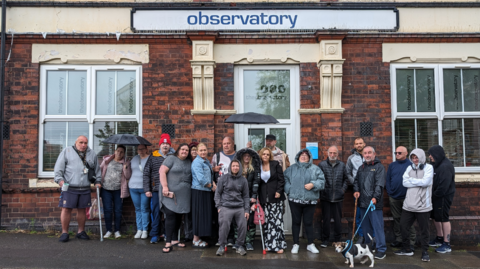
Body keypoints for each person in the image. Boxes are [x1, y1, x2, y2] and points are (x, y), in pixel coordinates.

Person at [54, 135, 102, 243]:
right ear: (76, 142)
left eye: (85, 143)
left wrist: (98, 181)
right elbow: (58, 169)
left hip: (85, 187)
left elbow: (97, 170)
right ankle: (64, 232)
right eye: (81, 142)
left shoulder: (92, 153)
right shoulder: (67, 151)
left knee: (82, 209)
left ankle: (81, 232)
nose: (83, 145)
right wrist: (60, 180)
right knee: (66, 209)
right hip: (69, 186)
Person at [394, 148, 433, 262]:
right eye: (413, 157)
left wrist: (412, 181)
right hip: (408, 205)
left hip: (423, 206)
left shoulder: (429, 168)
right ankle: (407, 249)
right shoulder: (409, 168)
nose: (415, 159)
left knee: (424, 230)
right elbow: (404, 182)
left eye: (417, 157)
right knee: (403, 226)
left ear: (421, 157)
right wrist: (418, 182)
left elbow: (426, 182)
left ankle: (425, 252)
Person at [285, 149, 325, 254]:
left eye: (306, 155)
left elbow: (322, 181)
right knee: (296, 221)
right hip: (294, 200)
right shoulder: (291, 169)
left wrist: (313, 184)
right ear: (298, 157)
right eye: (301, 155)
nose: (303, 156)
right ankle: (295, 244)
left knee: (308, 222)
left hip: (310, 200)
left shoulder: (315, 169)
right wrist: (289, 189)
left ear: (309, 157)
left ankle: (310, 244)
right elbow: (284, 179)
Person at [353, 146, 387, 260]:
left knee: (377, 227)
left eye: (369, 153)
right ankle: (368, 247)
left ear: (374, 154)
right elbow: (356, 181)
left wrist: (376, 197)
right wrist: (356, 191)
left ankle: (381, 249)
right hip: (363, 203)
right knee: (366, 228)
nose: (367, 155)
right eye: (365, 153)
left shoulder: (379, 167)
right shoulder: (361, 168)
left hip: (374, 204)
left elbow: (380, 184)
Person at [159, 143, 192, 253]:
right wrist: (165, 187)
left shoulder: (189, 161)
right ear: (178, 150)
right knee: (170, 216)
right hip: (170, 194)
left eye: (187, 150)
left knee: (178, 217)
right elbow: (162, 171)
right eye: (182, 149)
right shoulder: (171, 158)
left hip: (183, 196)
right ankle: (168, 242)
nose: (184, 152)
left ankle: (174, 240)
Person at [143, 133, 175, 244]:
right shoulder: (153, 156)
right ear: (160, 145)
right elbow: (146, 173)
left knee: (169, 213)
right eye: (163, 143)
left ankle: (168, 234)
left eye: (167, 143)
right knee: (156, 212)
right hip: (156, 189)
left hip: (171, 190)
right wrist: (147, 189)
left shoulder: (174, 156)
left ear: (170, 145)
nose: (165, 145)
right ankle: (155, 234)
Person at [214, 160, 250, 256]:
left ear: (240, 167)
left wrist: (247, 210)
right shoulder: (224, 178)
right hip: (226, 206)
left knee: (243, 225)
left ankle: (239, 245)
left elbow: (246, 196)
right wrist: (218, 206)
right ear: (230, 167)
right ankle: (222, 246)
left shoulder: (243, 180)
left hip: (239, 207)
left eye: (237, 166)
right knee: (224, 226)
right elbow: (217, 193)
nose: (235, 168)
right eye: (233, 166)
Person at [318, 146, 348, 248]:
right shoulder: (322, 165)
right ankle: (325, 239)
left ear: (337, 154)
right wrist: (322, 191)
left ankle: (337, 240)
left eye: (334, 153)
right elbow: (318, 179)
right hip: (325, 197)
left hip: (338, 197)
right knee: (325, 219)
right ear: (327, 153)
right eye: (330, 153)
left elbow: (346, 179)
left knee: (338, 220)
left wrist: (342, 190)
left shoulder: (342, 165)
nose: (332, 155)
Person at [386, 146, 416, 249]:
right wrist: (390, 192)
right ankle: (399, 239)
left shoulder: (411, 165)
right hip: (394, 197)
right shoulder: (392, 165)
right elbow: (388, 179)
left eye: (399, 153)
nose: (397, 154)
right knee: (397, 219)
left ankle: (411, 242)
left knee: (408, 220)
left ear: (406, 153)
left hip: (407, 198)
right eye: (396, 153)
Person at [258, 147, 287, 253]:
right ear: (261, 155)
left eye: (267, 154)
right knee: (267, 223)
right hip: (264, 199)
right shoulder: (258, 166)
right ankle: (269, 245)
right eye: (263, 154)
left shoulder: (275, 164)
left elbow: (281, 179)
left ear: (270, 155)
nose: (265, 156)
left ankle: (278, 246)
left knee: (276, 222)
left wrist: (279, 191)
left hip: (276, 198)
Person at [427, 145, 456, 253]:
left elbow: (444, 186)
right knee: (435, 216)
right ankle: (439, 238)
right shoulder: (436, 164)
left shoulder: (445, 166)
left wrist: (434, 194)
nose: (430, 156)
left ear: (437, 154)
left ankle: (446, 243)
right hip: (435, 196)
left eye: (431, 154)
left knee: (444, 218)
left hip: (443, 196)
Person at [100, 145, 132, 239]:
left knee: (118, 210)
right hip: (106, 189)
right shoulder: (107, 160)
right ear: (115, 151)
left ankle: (117, 230)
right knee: (107, 210)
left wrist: (126, 168)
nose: (119, 153)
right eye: (118, 151)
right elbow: (100, 170)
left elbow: (128, 176)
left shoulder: (126, 162)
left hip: (118, 190)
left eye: (121, 152)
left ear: (124, 153)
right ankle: (109, 230)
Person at [234, 147, 261, 251]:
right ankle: (238, 241)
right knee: (237, 220)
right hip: (237, 198)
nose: (246, 157)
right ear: (241, 157)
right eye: (244, 156)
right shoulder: (237, 168)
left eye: (248, 156)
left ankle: (249, 241)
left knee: (250, 220)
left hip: (250, 198)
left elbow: (256, 183)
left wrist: (254, 197)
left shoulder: (254, 168)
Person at [211, 136, 237, 246]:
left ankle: (231, 238)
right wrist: (213, 170)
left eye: (228, 143)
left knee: (233, 215)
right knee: (220, 215)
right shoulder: (216, 156)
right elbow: (210, 171)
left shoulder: (238, 156)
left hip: (235, 190)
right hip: (220, 190)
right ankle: (220, 238)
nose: (226, 145)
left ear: (233, 144)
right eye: (224, 143)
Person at [191, 143, 215, 248]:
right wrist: (211, 187)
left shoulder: (206, 161)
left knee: (203, 216)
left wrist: (213, 184)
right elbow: (201, 179)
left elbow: (210, 175)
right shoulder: (197, 162)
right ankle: (195, 239)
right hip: (199, 191)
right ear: (197, 151)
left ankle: (200, 237)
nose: (203, 152)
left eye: (204, 150)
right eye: (201, 150)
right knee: (198, 215)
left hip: (206, 191)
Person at [346, 137, 369, 243]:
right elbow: (347, 172)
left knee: (369, 213)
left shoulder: (369, 155)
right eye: (357, 144)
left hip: (370, 189)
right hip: (357, 190)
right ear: (354, 145)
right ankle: (361, 236)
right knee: (358, 214)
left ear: (364, 144)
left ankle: (370, 237)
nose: (359, 145)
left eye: (360, 143)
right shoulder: (351, 158)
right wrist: (354, 182)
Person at [129, 144, 151, 239]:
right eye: (139, 149)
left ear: (146, 149)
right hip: (133, 187)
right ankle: (139, 229)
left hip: (145, 188)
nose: (140, 151)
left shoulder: (150, 159)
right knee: (137, 209)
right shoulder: (134, 158)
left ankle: (145, 230)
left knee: (144, 209)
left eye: (142, 149)